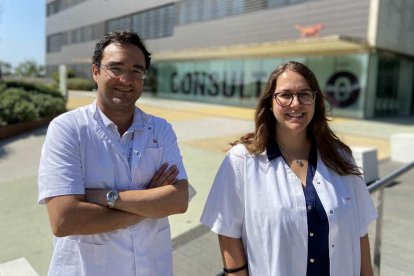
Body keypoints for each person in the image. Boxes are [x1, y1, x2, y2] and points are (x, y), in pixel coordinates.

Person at [201, 61, 377, 276]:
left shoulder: (340, 157)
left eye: (304, 94)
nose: (296, 104)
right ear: (270, 102)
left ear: (315, 101)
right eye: (285, 95)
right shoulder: (243, 160)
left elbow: (360, 232)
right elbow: (228, 232)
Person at [38, 31, 189, 276]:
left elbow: (179, 200)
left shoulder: (160, 130)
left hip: (152, 267)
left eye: (136, 71)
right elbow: (64, 219)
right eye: (115, 68)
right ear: (95, 71)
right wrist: (149, 204)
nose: (126, 79)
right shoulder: (68, 129)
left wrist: (105, 198)